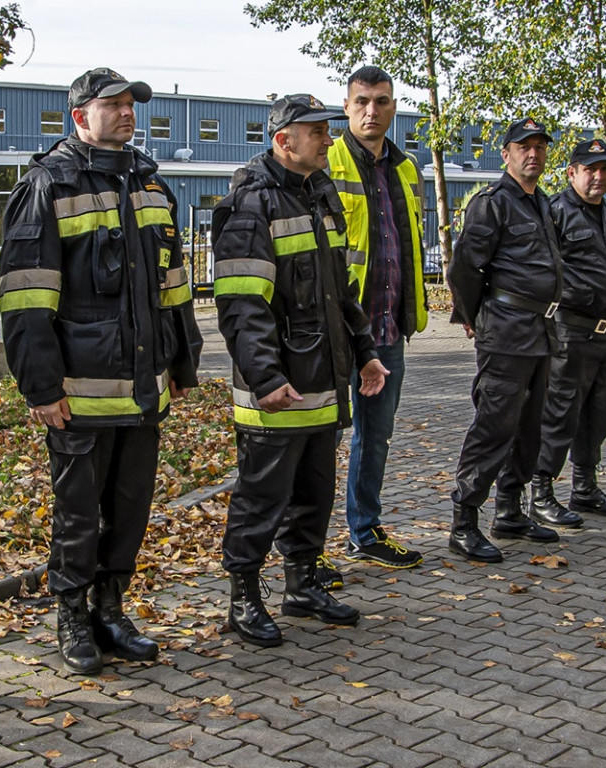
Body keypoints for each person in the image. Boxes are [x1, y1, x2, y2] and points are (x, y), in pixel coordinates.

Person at [0, 67, 202, 675]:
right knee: (79, 512)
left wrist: (181, 362)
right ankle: (71, 615)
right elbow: (26, 294)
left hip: (142, 388)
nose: (126, 113)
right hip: (79, 392)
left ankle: (111, 609)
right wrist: (40, 384)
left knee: (131, 506)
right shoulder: (47, 185)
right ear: (80, 116)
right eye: (111, 104)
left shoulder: (150, 184)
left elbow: (173, 284)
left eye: (130, 104)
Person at [212, 94, 388, 647]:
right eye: (317, 132)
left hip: (323, 380)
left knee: (315, 491)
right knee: (262, 497)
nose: (329, 140)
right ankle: (244, 599)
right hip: (278, 386)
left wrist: (364, 350)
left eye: (328, 131)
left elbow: (341, 291)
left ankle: (301, 583)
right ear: (283, 140)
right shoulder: (250, 203)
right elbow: (243, 303)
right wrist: (264, 378)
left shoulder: (321, 194)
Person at [323, 65, 427, 582]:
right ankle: (308, 551)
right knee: (317, 441)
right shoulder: (325, 162)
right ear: (346, 106)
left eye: (382, 101)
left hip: (387, 329)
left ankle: (365, 532)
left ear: (392, 106)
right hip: (334, 331)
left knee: (375, 437)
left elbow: (405, 244)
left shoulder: (406, 168)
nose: (372, 110)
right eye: (361, 101)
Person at [446, 116, 564, 563]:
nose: (532, 154)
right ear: (508, 153)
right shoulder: (491, 203)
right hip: (506, 331)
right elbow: (464, 267)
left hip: (540, 331)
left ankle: (510, 511)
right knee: (494, 426)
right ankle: (464, 521)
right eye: (523, 147)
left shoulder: (541, 203)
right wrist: (473, 315)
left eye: (539, 146)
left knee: (530, 428)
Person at [530, 139, 606, 524]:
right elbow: (545, 270)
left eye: (605, 169)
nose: (598, 177)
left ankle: (585, 488)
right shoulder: (556, 212)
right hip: (571, 330)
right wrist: (580, 295)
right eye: (590, 169)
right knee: (560, 413)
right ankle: (541, 491)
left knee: (599, 413)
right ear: (572, 172)